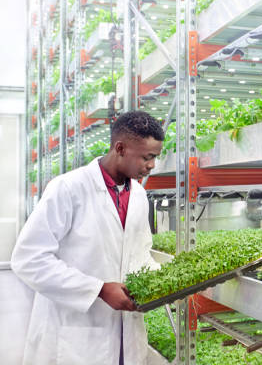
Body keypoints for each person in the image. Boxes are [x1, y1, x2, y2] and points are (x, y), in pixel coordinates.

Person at [11, 111, 164, 365]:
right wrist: (99, 290)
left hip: (126, 337)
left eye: (155, 157)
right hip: (76, 338)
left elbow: (140, 253)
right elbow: (28, 258)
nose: (151, 166)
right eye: (147, 157)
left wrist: (165, 284)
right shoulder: (69, 189)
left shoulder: (137, 195)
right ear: (121, 148)